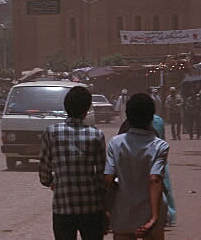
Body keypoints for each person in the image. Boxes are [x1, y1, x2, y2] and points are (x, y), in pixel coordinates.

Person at [39, 86, 106, 240]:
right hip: (91, 208)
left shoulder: (51, 132)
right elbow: (101, 175)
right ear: (86, 110)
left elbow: (44, 172)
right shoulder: (96, 135)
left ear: (66, 106)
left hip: (63, 208)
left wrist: (52, 182)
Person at [105, 94, 169, 239]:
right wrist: (153, 218)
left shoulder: (115, 143)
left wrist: (105, 209)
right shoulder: (160, 145)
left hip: (123, 210)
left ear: (127, 116)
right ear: (152, 117)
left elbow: (108, 178)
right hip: (152, 209)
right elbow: (154, 180)